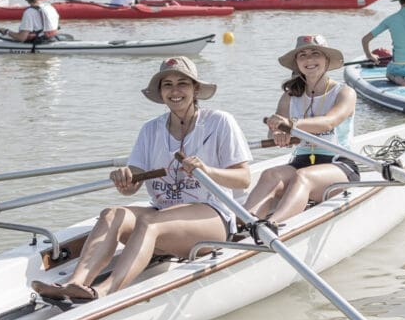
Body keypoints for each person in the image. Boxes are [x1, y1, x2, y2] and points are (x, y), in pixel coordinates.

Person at [32, 57, 253, 301]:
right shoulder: (150, 129)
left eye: (182, 83)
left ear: (196, 89)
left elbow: (244, 179)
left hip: (212, 218)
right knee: (112, 214)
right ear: (160, 92)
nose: (175, 91)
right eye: (167, 85)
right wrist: (124, 178)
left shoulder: (219, 121)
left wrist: (207, 170)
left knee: (149, 223)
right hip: (163, 214)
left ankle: (103, 291)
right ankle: (74, 283)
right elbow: (132, 186)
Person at [243, 35, 358, 226]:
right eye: (302, 55)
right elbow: (274, 132)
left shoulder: (345, 92)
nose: (309, 59)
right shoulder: (289, 96)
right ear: (297, 63)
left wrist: (291, 124)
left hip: (338, 163)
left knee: (303, 177)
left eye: (315, 54)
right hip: (301, 161)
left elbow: (329, 122)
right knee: (270, 174)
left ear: (327, 59)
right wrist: (278, 134)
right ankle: (246, 224)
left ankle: (272, 225)